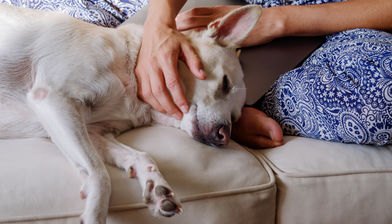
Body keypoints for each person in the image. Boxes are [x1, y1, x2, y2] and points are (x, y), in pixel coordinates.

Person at [135, 0, 392, 147]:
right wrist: (159, 24)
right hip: (246, 25)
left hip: (359, 26)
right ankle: (229, 103)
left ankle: (233, 103)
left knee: (382, 95)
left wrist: (279, 21)